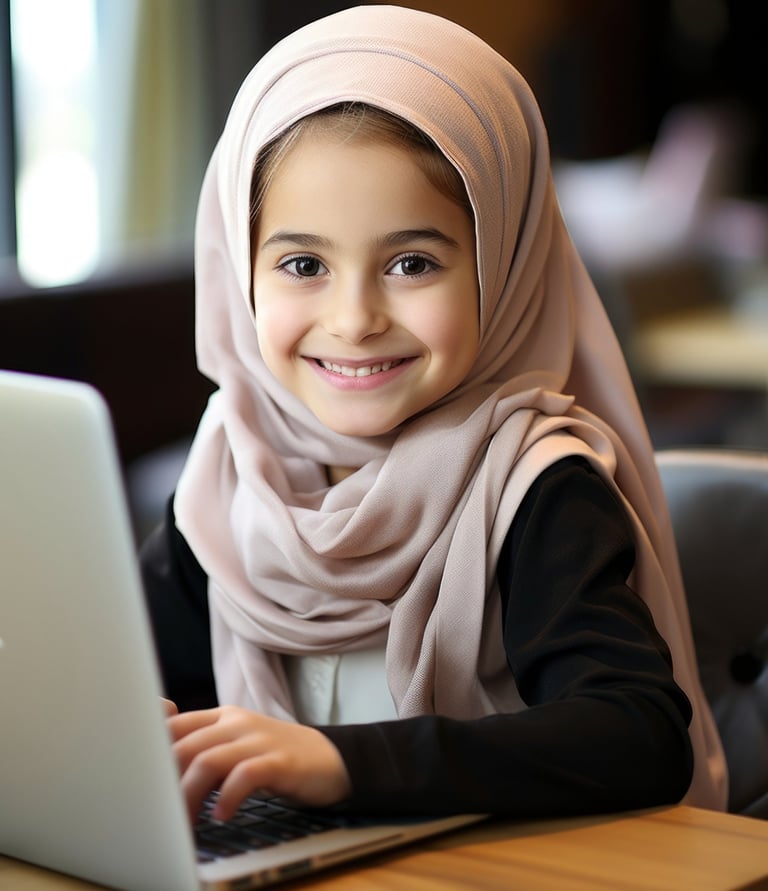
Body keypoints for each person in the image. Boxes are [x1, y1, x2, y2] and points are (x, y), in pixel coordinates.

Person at [140, 5, 727, 825]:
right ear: (240, 269)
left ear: (504, 263)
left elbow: (639, 736)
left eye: (412, 262)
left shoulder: (534, 483)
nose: (354, 319)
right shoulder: (228, 477)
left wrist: (344, 762)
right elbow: (144, 688)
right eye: (303, 264)